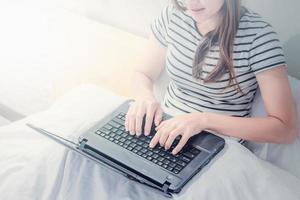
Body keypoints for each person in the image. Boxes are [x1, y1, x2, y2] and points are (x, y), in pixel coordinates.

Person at [125, 0, 298, 155]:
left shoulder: (258, 37)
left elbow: (284, 128)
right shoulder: (172, 15)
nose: (191, 3)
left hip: (218, 145)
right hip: (164, 128)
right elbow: (143, 73)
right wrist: (144, 97)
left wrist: (202, 120)